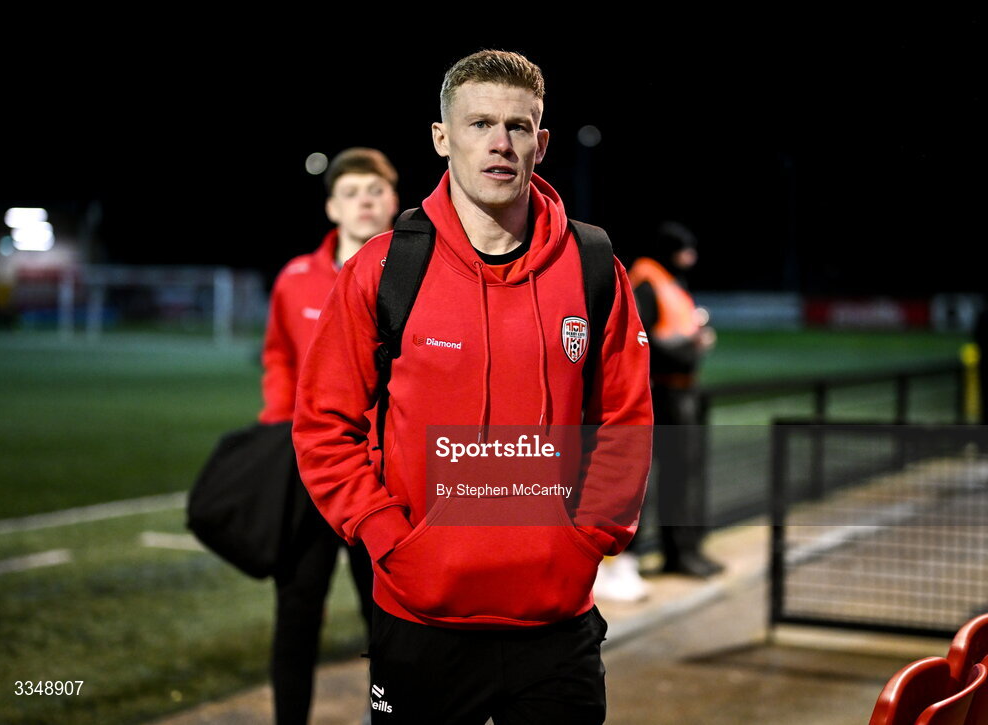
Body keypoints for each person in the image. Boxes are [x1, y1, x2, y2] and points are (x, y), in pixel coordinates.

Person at [293, 50, 652, 724]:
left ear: (541, 144)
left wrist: (586, 540)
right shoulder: (384, 268)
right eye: (480, 122)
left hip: (555, 622)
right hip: (421, 616)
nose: (499, 143)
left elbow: (626, 422)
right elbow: (322, 425)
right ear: (441, 137)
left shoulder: (596, 264)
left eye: (519, 126)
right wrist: (389, 538)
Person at [259, 147, 399, 723]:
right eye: (351, 193)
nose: (364, 202)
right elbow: (278, 359)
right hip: (309, 474)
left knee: (387, 613)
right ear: (331, 207)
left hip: (385, 474)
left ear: (394, 199)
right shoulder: (295, 279)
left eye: (375, 190)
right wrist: (279, 431)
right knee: (296, 610)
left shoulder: (420, 269)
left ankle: (387, 716)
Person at [628, 221, 724, 578]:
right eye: (685, 249)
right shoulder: (647, 281)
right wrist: (690, 346)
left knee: (682, 477)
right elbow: (643, 340)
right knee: (645, 480)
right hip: (660, 393)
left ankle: (682, 552)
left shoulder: (669, 282)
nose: (691, 257)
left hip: (681, 392)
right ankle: (627, 561)